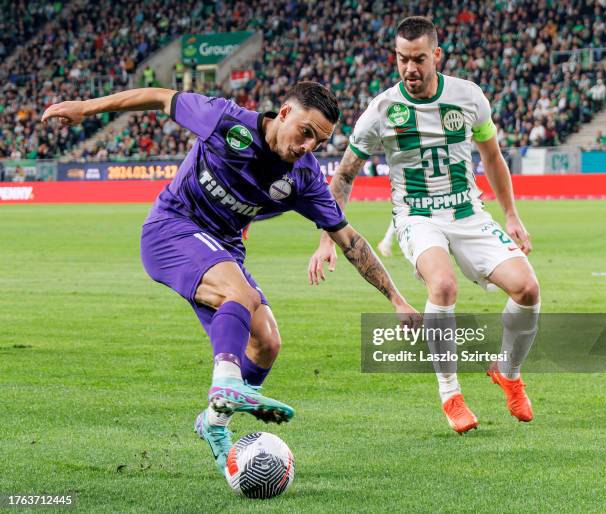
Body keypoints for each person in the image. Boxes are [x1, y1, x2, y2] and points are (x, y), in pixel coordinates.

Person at [42, 81, 419, 472]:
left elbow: (349, 239)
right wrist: (86, 108)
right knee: (240, 294)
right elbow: (159, 96)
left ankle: (214, 422)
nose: (309, 146)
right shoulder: (223, 119)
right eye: (306, 133)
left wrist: (395, 298)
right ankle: (225, 384)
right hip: (172, 227)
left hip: (223, 249)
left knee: (267, 342)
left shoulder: (303, 178)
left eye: (319, 142)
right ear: (285, 114)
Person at [309, 17, 540, 434]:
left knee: (528, 290)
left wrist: (511, 215)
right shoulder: (380, 112)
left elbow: (492, 157)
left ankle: (508, 371)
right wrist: (327, 237)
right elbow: (343, 176)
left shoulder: (468, 97)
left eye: (418, 59)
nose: (410, 69)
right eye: (402, 59)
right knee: (443, 285)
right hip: (417, 216)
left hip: (468, 213)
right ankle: (450, 394)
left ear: (436, 55)